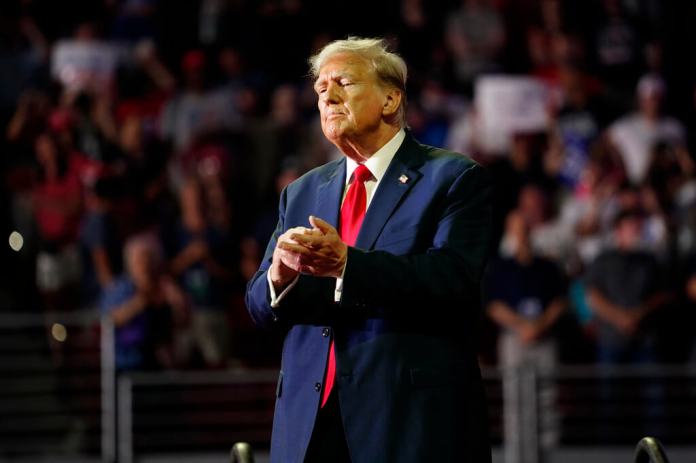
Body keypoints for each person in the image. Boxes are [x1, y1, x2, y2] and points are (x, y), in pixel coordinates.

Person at [245, 37, 492, 463]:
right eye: (321, 89)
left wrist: (347, 265)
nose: (328, 96)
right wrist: (279, 277)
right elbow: (257, 304)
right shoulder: (301, 192)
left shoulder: (452, 178)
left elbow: (452, 280)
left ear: (390, 99)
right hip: (309, 425)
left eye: (343, 82)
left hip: (407, 422)